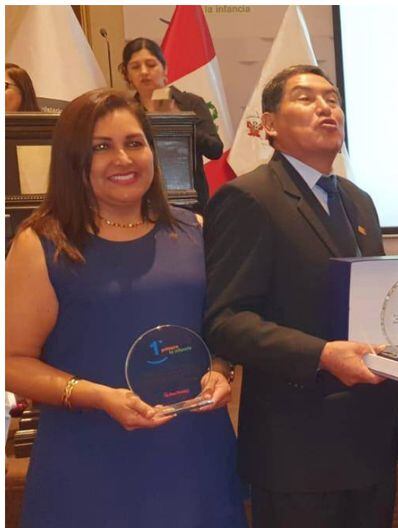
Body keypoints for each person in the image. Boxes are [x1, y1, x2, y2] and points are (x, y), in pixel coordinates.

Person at [5, 88, 245, 527]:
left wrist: (221, 369)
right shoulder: (40, 244)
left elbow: (220, 331)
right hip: (92, 462)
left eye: (134, 143)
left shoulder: (195, 230)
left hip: (195, 455)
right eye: (101, 147)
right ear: (73, 160)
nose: (123, 158)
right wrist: (97, 396)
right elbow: (12, 362)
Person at [204, 65, 398, 528]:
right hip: (298, 449)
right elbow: (226, 321)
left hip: (370, 437)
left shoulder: (358, 199)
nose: (325, 108)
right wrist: (322, 354)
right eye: (305, 98)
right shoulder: (249, 198)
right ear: (269, 125)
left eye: (332, 99)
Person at [120, 37, 223, 210]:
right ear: (127, 74)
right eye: (135, 67)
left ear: (165, 68)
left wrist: (177, 120)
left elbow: (215, 150)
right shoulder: (125, 111)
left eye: (151, 65)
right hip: (142, 202)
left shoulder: (190, 103)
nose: (144, 72)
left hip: (190, 204)